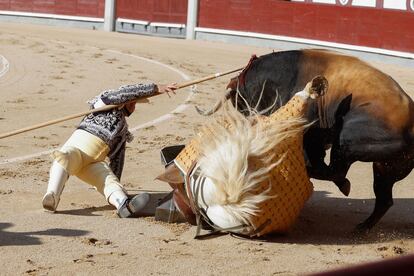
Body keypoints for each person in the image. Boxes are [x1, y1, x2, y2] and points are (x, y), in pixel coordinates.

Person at [42, 82, 178, 218]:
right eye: (132, 101)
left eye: (135, 103)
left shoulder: (123, 130)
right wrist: (155, 88)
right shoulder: (104, 104)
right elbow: (123, 93)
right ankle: (52, 196)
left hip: (93, 164)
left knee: (107, 180)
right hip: (78, 151)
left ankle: (123, 204)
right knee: (65, 157)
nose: (133, 105)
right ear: (125, 100)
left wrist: (116, 180)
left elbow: (117, 158)